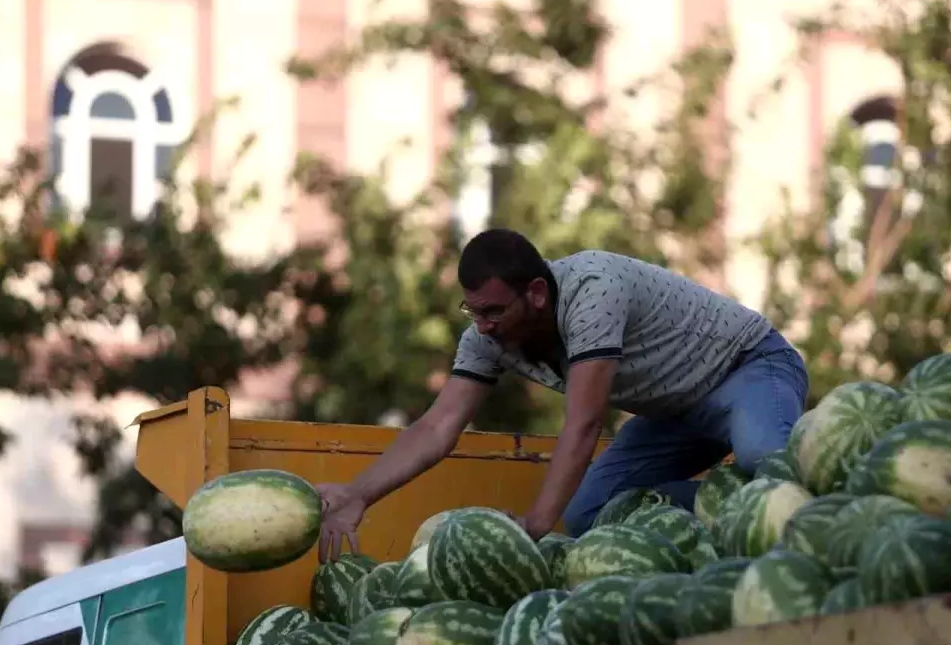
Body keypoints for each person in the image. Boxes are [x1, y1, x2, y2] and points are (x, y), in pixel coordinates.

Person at [315, 228, 809, 561]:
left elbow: (584, 423)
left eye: (492, 311)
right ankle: (726, 511)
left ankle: (823, 510)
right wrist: (358, 494)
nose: (483, 327)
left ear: (535, 292)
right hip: (674, 414)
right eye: (472, 312)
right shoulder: (488, 336)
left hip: (748, 367)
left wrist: (533, 523)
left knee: (766, 457)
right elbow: (437, 426)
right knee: (589, 515)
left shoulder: (592, 289)